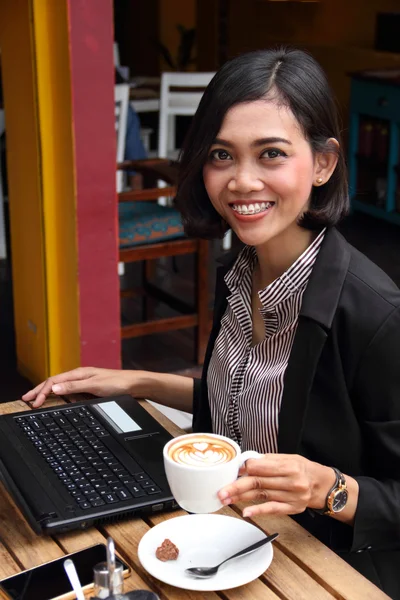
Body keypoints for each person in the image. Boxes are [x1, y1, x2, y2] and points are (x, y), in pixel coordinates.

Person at [22, 48, 400, 598]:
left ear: (323, 163)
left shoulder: (376, 316)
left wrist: (329, 489)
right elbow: (244, 403)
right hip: (225, 542)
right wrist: (137, 384)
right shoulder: (238, 273)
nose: (242, 182)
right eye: (222, 155)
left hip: (324, 570)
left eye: (271, 153)